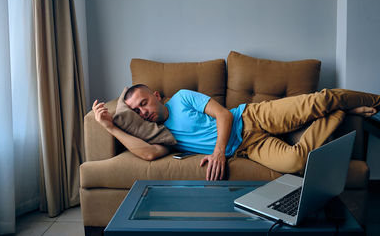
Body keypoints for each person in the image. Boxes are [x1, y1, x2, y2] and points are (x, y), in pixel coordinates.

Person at [93, 84, 380, 181]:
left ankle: (374, 100)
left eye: (144, 103)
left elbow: (222, 114)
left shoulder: (181, 97)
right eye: (137, 111)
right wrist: (110, 126)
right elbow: (150, 154)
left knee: (319, 100)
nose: (143, 112)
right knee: (297, 163)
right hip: (248, 147)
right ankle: (341, 112)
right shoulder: (160, 135)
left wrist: (218, 151)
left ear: (156, 95)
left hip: (252, 116)